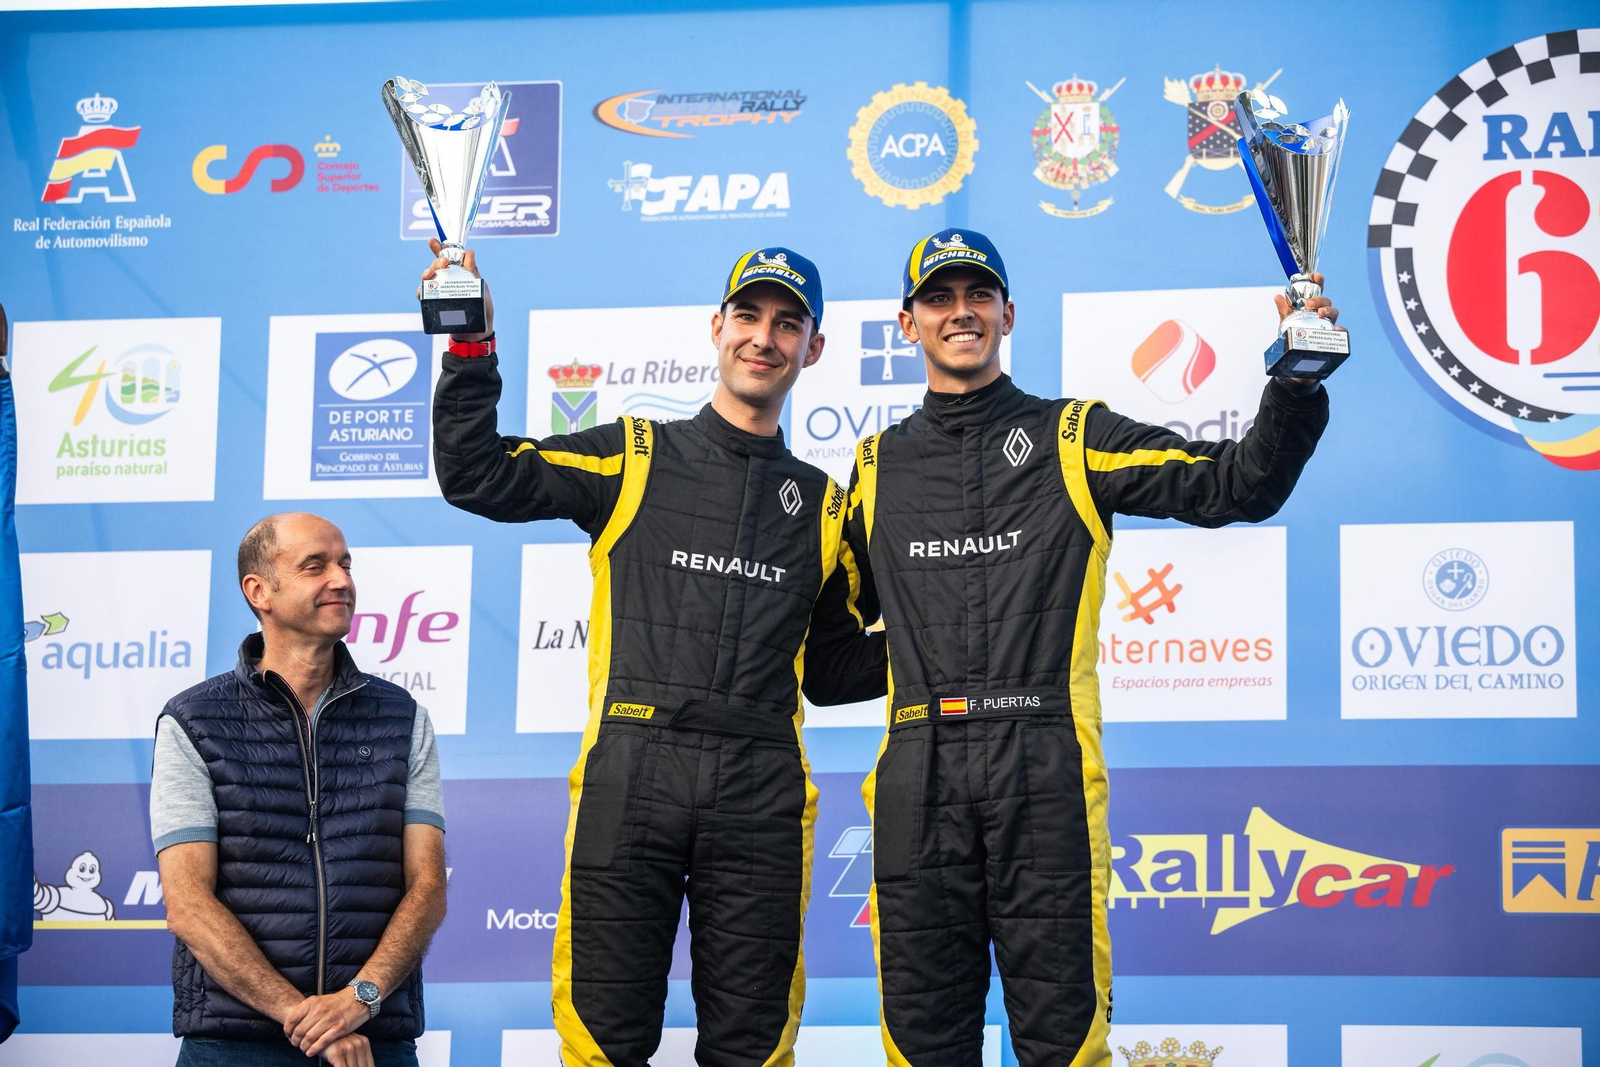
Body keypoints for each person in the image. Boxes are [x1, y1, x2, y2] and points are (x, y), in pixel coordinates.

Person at [844, 229, 1335, 1067]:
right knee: (922, 1044)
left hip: (1045, 769)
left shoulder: (1073, 434)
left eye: (977, 295)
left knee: (1064, 1043)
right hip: (918, 774)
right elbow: (830, 643)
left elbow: (1234, 484)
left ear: (1008, 313)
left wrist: (1292, 381)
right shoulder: (874, 466)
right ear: (906, 322)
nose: (960, 311)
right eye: (939, 297)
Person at [427, 240, 884, 1067]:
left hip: (762, 784)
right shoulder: (635, 453)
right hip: (633, 768)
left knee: (754, 1043)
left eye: (788, 324)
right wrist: (469, 347)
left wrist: (963, 645)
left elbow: (835, 671)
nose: (763, 338)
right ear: (717, 326)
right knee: (605, 1035)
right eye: (748, 316)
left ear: (812, 349)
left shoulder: (825, 504)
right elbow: (478, 476)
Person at [152, 513, 448, 1067]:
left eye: (345, 564)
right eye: (315, 566)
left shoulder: (403, 719)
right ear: (258, 591)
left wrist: (359, 1001)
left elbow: (427, 887)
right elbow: (188, 903)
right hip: (232, 1045)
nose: (341, 579)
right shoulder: (193, 721)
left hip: (373, 1039)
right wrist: (310, 1019)